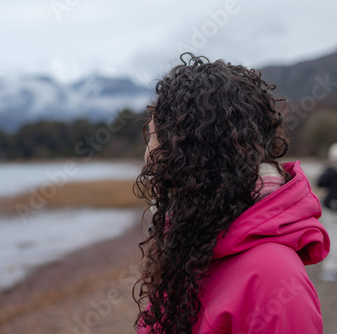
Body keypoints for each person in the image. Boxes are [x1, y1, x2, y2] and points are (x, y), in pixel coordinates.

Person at [133, 53, 330, 334]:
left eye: (152, 136)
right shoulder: (189, 247)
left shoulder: (272, 277)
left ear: (190, 151)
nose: (147, 155)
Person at [318, 142, 337, 282]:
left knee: (332, 236)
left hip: (331, 208)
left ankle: (331, 268)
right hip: (331, 208)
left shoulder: (330, 172)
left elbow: (320, 182)